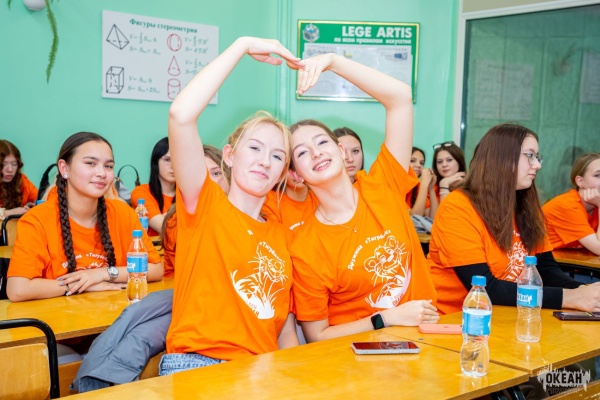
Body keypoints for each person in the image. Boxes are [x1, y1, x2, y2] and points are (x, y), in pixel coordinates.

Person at [160, 36, 302, 375]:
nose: (264, 161)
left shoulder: (281, 235)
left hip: (261, 371)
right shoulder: (204, 204)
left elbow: (283, 328)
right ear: (229, 155)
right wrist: (241, 46)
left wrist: (296, 378)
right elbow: (180, 115)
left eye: (277, 156)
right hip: (198, 364)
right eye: (254, 148)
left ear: (283, 172)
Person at [289, 53, 439, 344]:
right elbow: (316, 335)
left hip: (424, 341)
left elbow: (400, 98)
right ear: (297, 174)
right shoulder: (306, 247)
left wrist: (334, 61)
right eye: (303, 152)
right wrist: (386, 318)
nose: (316, 152)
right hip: (355, 356)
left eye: (322, 142)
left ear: (341, 152)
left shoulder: (382, 185)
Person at [428, 123, 600, 315]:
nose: (537, 165)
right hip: (455, 319)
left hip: (507, 315)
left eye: (537, 157)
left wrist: (587, 292)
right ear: (501, 158)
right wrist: (570, 298)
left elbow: (546, 270)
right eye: (530, 155)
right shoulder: (457, 207)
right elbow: (487, 289)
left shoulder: (525, 204)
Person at [7, 132, 163, 302]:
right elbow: (18, 289)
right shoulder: (36, 220)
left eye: (108, 166)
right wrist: (80, 285)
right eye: (90, 163)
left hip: (114, 314)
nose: (102, 173)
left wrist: (102, 274)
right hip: (57, 316)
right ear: (64, 168)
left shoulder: (123, 213)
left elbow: (156, 269)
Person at [159, 145, 229, 278]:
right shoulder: (176, 220)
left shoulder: (242, 213)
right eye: (202, 175)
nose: (210, 181)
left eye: (216, 173)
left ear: (228, 177)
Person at [543, 153, 600, 255]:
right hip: (537, 261)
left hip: (569, 259)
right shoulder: (567, 205)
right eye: (597, 175)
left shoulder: (596, 205)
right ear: (580, 181)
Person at [131, 137, 175, 236]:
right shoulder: (141, 192)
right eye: (167, 160)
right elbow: (163, 227)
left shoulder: (188, 195)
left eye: (178, 160)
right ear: (156, 162)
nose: (173, 166)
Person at [427, 141, 466, 218]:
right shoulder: (434, 187)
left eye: (449, 160)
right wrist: (433, 189)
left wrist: (444, 185)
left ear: (459, 161)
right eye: (439, 162)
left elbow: (447, 218)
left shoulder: (469, 186)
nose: (444, 165)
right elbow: (434, 219)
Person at [0, 140, 38, 218]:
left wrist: (34, 206)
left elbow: (40, 199)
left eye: (14, 164)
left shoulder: (22, 180)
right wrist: (8, 213)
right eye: (4, 164)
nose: (10, 169)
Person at [406, 146, 436, 217]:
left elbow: (433, 218)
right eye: (412, 161)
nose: (419, 165)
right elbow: (415, 217)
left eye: (422, 163)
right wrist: (424, 184)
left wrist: (431, 189)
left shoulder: (419, 186)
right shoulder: (393, 185)